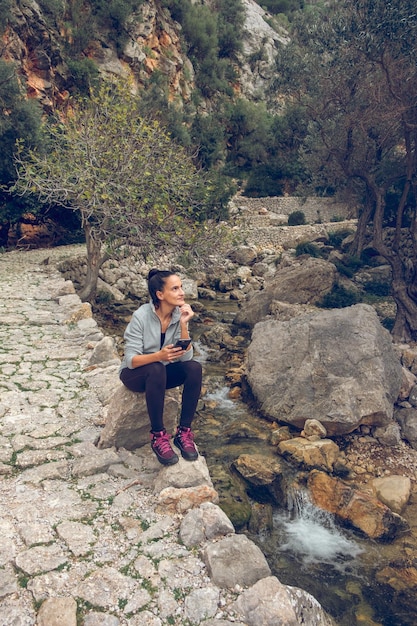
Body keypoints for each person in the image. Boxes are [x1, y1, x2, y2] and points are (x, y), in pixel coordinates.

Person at [119, 269, 202, 466]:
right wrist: (159, 356)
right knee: (156, 367)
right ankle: (158, 436)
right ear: (160, 294)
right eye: (175, 288)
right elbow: (130, 360)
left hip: (161, 373)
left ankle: (184, 433)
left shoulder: (177, 315)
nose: (182, 292)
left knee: (194, 368)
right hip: (135, 374)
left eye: (181, 287)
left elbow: (187, 357)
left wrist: (183, 324)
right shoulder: (141, 316)